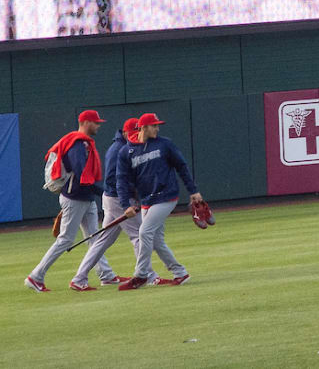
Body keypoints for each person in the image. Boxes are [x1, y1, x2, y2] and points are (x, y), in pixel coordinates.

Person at [24, 110, 111, 293]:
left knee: (95, 238)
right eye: (96, 123)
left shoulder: (83, 143)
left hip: (84, 197)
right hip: (75, 198)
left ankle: (106, 275)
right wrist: (103, 191)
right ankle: (36, 276)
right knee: (65, 240)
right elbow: (81, 176)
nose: (98, 126)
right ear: (86, 122)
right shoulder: (77, 144)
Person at [114, 112, 199, 289]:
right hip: (146, 199)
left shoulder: (164, 144)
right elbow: (121, 180)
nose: (157, 128)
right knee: (156, 241)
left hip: (167, 195)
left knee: (144, 232)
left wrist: (193, 191)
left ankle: (141, 275)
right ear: (143, 127)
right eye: (154, 125)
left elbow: (181, 166)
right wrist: (125, 205)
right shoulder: (126, 151)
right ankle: (180, 273)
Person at [69, 116, 143, 292]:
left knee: (102, 241)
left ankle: (79, 278)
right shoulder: (118, 149)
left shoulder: (128, 147)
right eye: (134, 132)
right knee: (139, 235)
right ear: (125, 132)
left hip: (115, 198)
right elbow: (111, 179)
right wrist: (128, 197)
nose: (137, 136)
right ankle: (146, 275)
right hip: (117, 199)